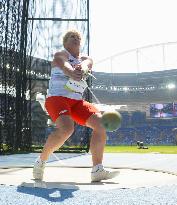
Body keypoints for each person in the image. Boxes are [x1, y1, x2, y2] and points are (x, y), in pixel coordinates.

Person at [33, 30, 119, 182]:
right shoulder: (61, 54)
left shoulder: (85, 58)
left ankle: (97, 169)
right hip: (57, 98)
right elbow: (63, 63)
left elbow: (87, 63)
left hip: (77, 102)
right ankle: (41, 161)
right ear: (65, 42)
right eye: (72, 37)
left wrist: (83, 68)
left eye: (78, 37)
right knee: (67, 129)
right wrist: (71, 72)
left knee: (101, 125)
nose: (76, 39)